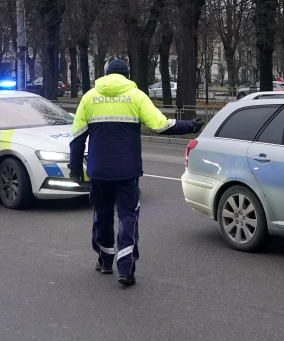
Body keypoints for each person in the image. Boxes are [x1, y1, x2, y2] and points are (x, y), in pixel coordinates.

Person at [70, 59, 202, 287]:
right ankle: (125, 269)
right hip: (127, 171)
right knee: (127, 217)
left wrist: (75, 170)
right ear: (127, 75)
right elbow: (161, 125)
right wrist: (190, 125)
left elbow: (77, 137)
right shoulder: (136, 96)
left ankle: (104, 261)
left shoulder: (89, 97)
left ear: (105, 74)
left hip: (98, 171)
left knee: (101, 216)